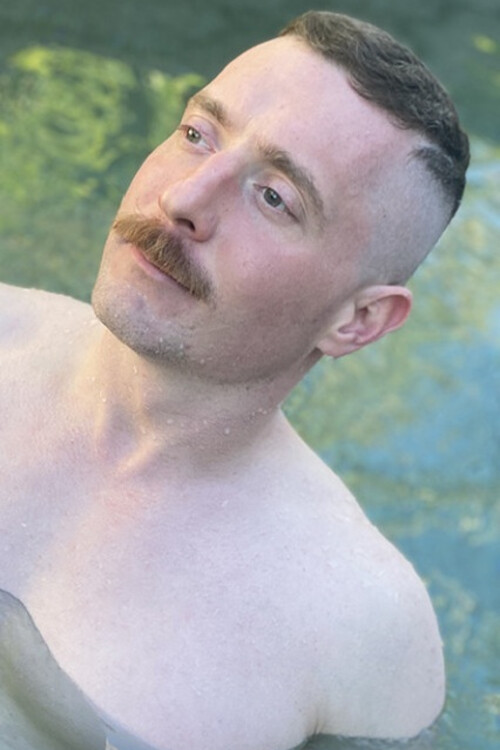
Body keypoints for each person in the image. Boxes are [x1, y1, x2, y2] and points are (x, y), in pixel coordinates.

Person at [0, 9, 469, 750]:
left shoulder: (362, 632)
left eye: (275, 196)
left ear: (359, 321)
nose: (184, 199)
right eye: (198, 134)